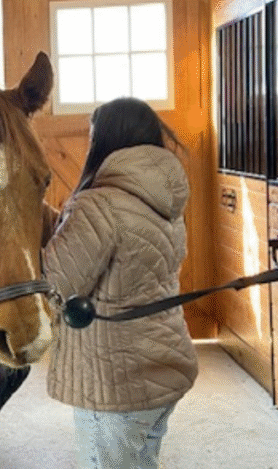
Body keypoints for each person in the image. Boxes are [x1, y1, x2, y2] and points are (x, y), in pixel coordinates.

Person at [43, 97, 198, 469]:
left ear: (105, 140)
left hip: (114, 380)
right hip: (162, 363)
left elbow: (54, 285)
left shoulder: (98, 205)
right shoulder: (162, 199)